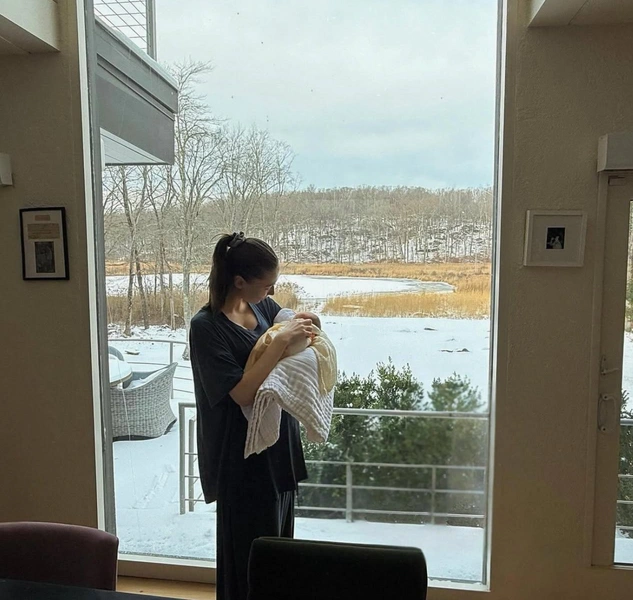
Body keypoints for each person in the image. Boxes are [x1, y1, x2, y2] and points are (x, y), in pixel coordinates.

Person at [189, 232, 314, 600]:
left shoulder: (262, 306)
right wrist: (280, 342)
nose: (272, 291)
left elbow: (289, 330)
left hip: (279, 447)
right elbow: (241, 393)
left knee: (279, 557)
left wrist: (307, 325)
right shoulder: (206, 327)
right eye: (267, 284)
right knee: (248, 562)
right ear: (239, 281)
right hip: (241, 458)